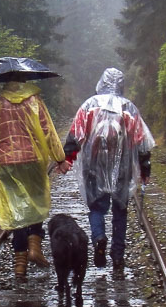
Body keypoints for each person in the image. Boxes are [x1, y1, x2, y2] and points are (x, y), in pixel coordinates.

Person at [56, 68, 155, 271]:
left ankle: (99, 238)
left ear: (101, 82)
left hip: (94, 164)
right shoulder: (129, 107)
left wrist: (67, 159)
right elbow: (141, 142)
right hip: (123, 168)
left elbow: (76, 135)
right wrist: (145, 169)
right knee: (120, 210)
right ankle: (117, 255)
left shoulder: (90, 105)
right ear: (121, 84)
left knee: (97, 207)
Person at [0, 78, 67, 280]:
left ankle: (20, 265)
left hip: (4, 161)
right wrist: (60, 158)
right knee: (36, 202)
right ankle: (35, 246)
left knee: (16, 211)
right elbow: (48, 132)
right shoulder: (34, 100)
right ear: (24, 80)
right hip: (32, 159)